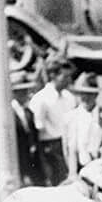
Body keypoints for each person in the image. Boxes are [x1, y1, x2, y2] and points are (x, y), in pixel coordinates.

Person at [28, 55, 76, 187]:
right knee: (58, 182)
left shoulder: (69, 97)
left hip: (69, 143)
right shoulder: (41, 99)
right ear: (53, 76)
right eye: (65, 77)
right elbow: (38, 126)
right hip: (50, 147)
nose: (68, 80)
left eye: (69, 77)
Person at [64, 71, 102, 174]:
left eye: (89, 94)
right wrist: (73, 174)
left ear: (96, 94)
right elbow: (69, 150)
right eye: (81, 93)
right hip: (79, 171)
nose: (85, 97)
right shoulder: (70, 118)